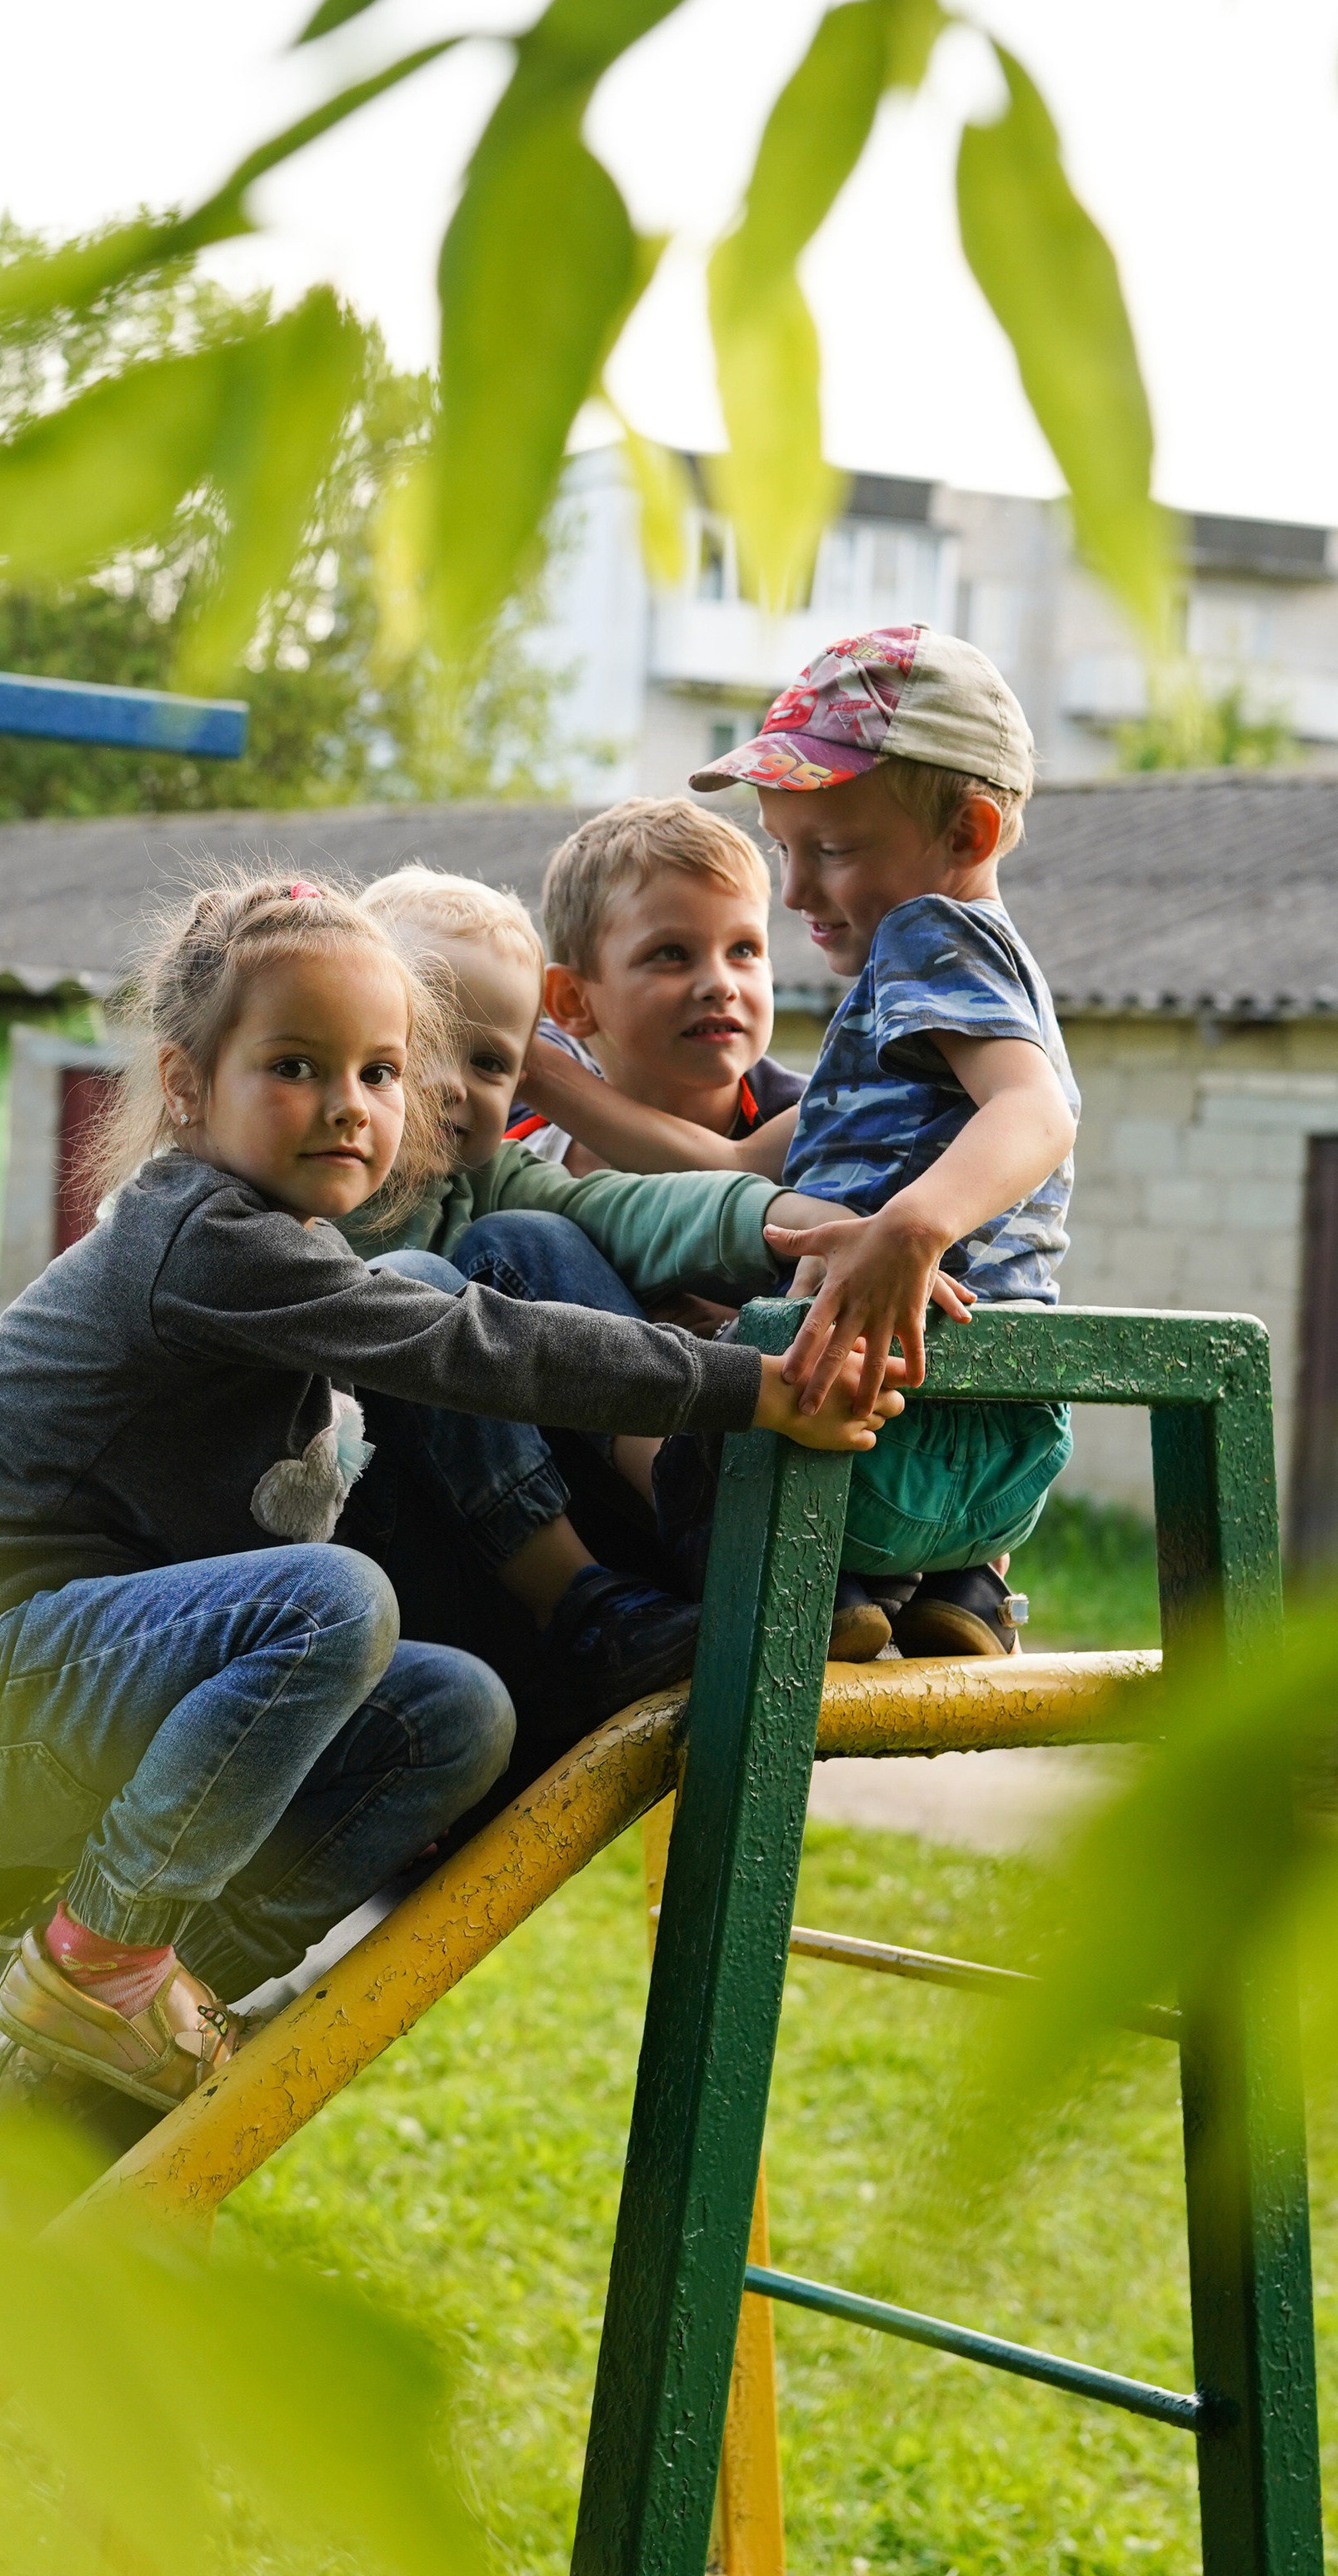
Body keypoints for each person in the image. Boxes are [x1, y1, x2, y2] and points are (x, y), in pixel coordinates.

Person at [0, 872, 903, 2114]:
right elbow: (476, 1344)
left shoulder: (295, 1245)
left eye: (379, 1072)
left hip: (91, 1690)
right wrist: (751, 1387)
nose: (347, 1105)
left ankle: (151, 2011)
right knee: (334, 1600)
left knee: (455, 1713)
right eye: (294, 1067)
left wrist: (780, 1230)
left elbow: (564, 1253)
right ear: (186, 1084)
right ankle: (102, 1961)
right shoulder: (203, 1238)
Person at [333, 865, 854, 1745]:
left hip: (489, 1509)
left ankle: (709, 1526)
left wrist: (790, 1224)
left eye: (491, 1063)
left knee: (539, 1235)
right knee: (414, 1289)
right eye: (424, 1048)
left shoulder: (484, 1176)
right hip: (369, 1536)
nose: (456, 1086)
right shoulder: (284, 1187)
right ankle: (577, 1605)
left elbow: (627, 1208)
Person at [649, 622, 1079, 1661]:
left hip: (875, 1395)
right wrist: (553, 1083)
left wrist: (910, 1228)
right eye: (783, 849)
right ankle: (956, 1589)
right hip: (1004, 1432)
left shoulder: (928, 933)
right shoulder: (937, 1021)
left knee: (688, 1428)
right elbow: (736, 1165)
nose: (795, 891)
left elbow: (1038, 1112)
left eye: (831, 851)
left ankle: (821, 1591)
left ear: (968, 832)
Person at [507, 800, 809, 1180]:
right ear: (573, 1001)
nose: (721, 985)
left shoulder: (825, 1122)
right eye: (671, 954)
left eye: (743, 950)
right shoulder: (506, 1155)